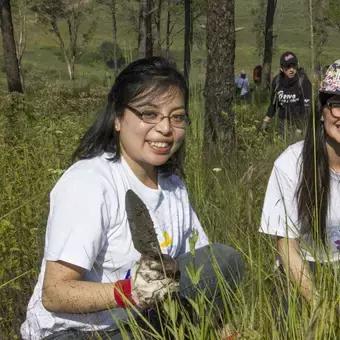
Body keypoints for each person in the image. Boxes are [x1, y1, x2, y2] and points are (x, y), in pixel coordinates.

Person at [21, 57, 243, 340]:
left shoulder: (174, 188)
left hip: (136, 323)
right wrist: (129, 291)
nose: (165, 128)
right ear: (117, 118)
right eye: (149, 113)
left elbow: (201, 269)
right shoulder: (90, 182)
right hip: (73, 331)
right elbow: (55, 293)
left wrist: (222, 327)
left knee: (224, 261)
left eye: (176, 116)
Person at [259, 60, 340, 321]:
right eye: (337, 105)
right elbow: (287, 249)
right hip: (304, 265)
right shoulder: (291, 164)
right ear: (322, 111)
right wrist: (320, 306)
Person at [259, 52, 312, 136]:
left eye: (294, 66)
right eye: (288, 66)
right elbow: (274, 104)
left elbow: (306, 108)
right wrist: (266, 120)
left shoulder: (303, 81)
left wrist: (299, 128)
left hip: (299, 123)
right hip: (282, 123)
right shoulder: (276, 81)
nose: (291, 69)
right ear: (281, 68)